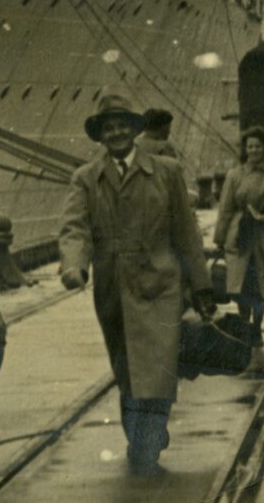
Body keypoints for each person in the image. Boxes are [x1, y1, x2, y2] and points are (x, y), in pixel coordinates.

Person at [59, 93, 214, 477]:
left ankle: (148, 439)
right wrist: (74, 266)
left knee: (159, 366)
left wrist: (202, 284)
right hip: (113, 284)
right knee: (127, 369)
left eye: (122, 125)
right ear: (101, 135)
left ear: (134, 129)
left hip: (161, 280)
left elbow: (185, 232)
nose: (116, 133)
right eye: (108, 127)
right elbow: (74, 227)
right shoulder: (86, 178)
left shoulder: (167, 172)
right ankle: (138, 435)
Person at [213, 126, 264, 348]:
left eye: (258, 146)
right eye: (249, 146)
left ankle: (256, 328)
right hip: (238, 235)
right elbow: (225, 208)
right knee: (239, 286)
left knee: (260, 285)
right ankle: (243, 323)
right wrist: (220, 239)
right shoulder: (234, 174)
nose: (253, 150)